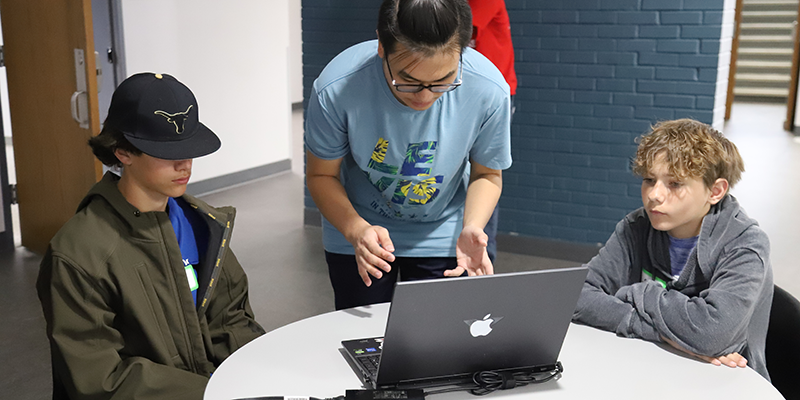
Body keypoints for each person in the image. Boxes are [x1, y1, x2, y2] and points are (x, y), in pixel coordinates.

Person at [37, 72, 265, 399]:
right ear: (122, 152)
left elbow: (232, 322)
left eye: (189, 149)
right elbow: (100, 379)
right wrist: (211, 393)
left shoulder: (205, 225)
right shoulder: (77, 255)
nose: (184, 165)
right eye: (166, 152)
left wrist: (261, 379)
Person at [305, 0, 512, 310]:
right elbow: (322, 175)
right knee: (365, 345)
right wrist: (355, 229)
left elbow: (486, 174)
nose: (425, 95)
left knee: (442, 341)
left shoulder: (488, 90)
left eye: (443, 81)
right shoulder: (337, 88)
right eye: (409, 81)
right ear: (381, 47)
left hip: (446, 228)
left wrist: (473, 225)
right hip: (359, 225)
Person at [572, 119, 773, 380]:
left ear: (715, 191)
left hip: (724, 379)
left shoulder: (745, 243)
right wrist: (668, 334)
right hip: (646, 366)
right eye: (649, 179)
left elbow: (714, 335)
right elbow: (576, 297)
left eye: (674, 183)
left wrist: (638, 292)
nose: (654, 195)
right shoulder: (636, 227)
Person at [467, 0, 517, 263]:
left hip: (492, 96)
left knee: (486, 172)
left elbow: (455, 29)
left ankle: (483, 253)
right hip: (461, 91)